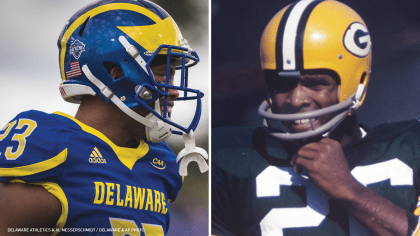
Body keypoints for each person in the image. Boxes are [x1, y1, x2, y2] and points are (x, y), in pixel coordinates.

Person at [211, 0, 420, 235]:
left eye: (315, 84)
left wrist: (349, 189)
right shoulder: (231, 156)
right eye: (282, 84)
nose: (296, 98)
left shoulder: (411, 147)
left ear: (357, 83)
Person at [0, 0, 208, 235]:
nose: (174, 91)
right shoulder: (53, 149)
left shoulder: (161, 164)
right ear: (117, 74)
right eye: (162, 75)